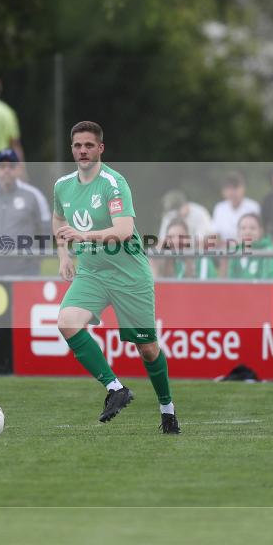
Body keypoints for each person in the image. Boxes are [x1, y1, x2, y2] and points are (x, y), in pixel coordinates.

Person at [53, 121, 180, 434]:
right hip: (92, 272)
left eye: (88, 145)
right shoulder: (63, 186)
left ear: (100, 149)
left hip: (129, 275)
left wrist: (83, 235)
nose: (82, 151)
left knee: (147, 349)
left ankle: (167, 409)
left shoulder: (113, 182)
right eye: (77, 146)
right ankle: (115, 389)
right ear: (72, 149)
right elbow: (58, 219)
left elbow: (123, 231)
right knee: (67, 321)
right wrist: (64, 255)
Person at [0, 149, 50, 276]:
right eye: (2, 166)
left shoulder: (34, 196)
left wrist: (39, 258)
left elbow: (45, 228)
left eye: (11, 166)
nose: (6, 170)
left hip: (25, 271)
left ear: (19, 169)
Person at [151, 217, 218, 279]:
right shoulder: (165, 261)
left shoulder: (203, 260)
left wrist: (189, 265)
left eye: (181, 236)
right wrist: (154, 264)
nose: (176, 241)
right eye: (171, 237)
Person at [227, 213, 273, 280]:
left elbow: (268, 282)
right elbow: (231, 279)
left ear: (261, 231)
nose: (247, 232)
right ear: (238, 232)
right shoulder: (235, 250)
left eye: (252, 228)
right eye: (243, 228)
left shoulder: (269, 250)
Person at [212, 171, 260, 245]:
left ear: (243, 188)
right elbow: (216, 233)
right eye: (228, 188)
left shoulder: (253, 207)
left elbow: (258, 235)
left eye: (235, 188)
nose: (232, 192)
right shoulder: (219, 208)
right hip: (226, 250)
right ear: (223, 191)